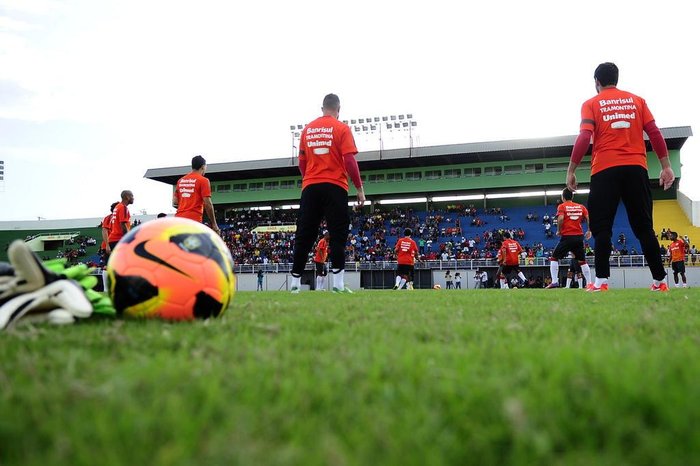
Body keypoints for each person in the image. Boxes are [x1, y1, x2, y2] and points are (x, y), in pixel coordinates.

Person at [566, 62, 675, 292]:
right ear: (616, 79)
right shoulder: (638, 101)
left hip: (604, 169)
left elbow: (584, 137)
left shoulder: (591, 103)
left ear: (596, 82)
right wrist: (666, 166)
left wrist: (571, 170)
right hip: (636, 168)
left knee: (602, 228)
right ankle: (660, 281)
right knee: (644, 227)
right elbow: (654, 132)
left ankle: (601, 281)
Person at [289, 94, 365, 294]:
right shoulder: (342, 128)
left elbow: (301, 162)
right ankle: (338, 285)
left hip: (311, 186)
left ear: (322, 108)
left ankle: (295, 284)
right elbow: (350, 160)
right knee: (338, 234)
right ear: (338, 110)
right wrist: (359, 188)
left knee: (304, 234)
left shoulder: (307, 130)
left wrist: (309, 180)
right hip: (335, 186)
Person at [546, 188, 593, 289]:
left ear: (563, 197)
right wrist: (589, 230)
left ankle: (554, 282)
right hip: (579, 237)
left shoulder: (562, 206)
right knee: (582, 261)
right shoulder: (581, 207)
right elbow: (589, 218)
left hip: (567, 236)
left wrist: (559, 230)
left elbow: (561, 218)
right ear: (572, 196)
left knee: (554, 258)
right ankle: (589, 283)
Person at [173, 155, 219, 234]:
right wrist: (214, 224)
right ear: (203, 167)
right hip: (193, 222)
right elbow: (208, 204)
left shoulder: (180, 180)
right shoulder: (203, 180)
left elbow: (175, 201)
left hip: (179, 221)